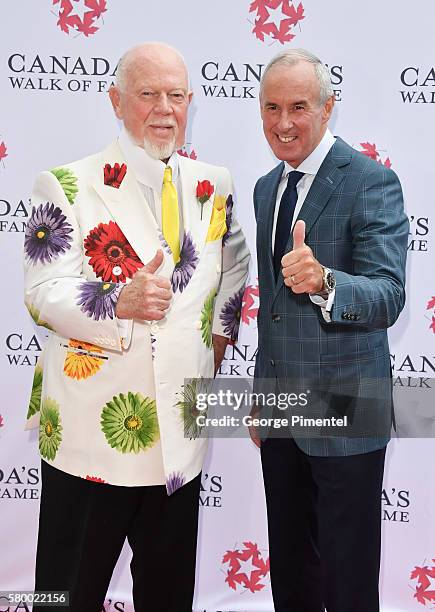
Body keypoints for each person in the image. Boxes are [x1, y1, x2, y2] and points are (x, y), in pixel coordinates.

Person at [24, 42, 249, 612]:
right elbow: (41, 292)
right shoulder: (65, 184)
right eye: (148, 94)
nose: (163, 109)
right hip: (91, 438)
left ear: (191, 101)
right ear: (116, 100)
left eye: (175, 95)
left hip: (179, 439)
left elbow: (234, 261)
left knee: (168, 596)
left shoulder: (213, 182)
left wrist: (219, 336)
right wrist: (114, 300)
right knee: (64, 593)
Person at [251, 48, 408, 612]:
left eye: (298, 106)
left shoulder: (371, 181)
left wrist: (324, 283)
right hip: (283, 415)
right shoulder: (267, 186)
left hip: (347, 410)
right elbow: (271, 311)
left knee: (347, 580)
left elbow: (389, 295)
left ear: (327, 108)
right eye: (272, 107)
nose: (284, 123)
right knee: (292, 574)